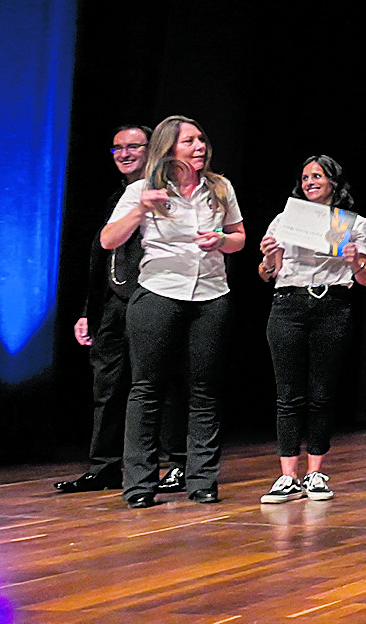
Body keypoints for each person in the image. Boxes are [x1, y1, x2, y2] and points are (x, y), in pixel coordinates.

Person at [99, 116, 246, 507]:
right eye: (189, 141)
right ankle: (140, 484)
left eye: (201, 139)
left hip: (211, 295)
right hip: (159, 293)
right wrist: (140, 210)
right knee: (147, 389)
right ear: (169, 147)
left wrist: (222, 240)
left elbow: (240, 238)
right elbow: (108, 239)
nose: (199, 146)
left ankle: (201, 481)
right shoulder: (144, 189)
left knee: (204, 390)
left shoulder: (219, 187)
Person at [253, 155, 366, 503]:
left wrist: (355, 261)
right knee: (288, 394)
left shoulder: (353, 224)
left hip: (332, 305)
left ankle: (316, 472)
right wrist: (268, 257)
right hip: (288, 304)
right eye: (305, 177)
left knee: (322, 393)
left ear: (333, 183)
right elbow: (267, 274)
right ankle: (287, 476)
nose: (309, 182)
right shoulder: (285, 220)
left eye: (317, 176)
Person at [58, 124, 154, 494]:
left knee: (153, 386)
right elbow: (103, 256)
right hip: (111, 303)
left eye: (133, 146)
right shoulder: (118, 196)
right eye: (117, 148)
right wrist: (88, 309)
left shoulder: (167, 195)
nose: (124, 154)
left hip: (151, 298)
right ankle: (104, 468)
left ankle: (167, 465)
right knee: (107, 386)